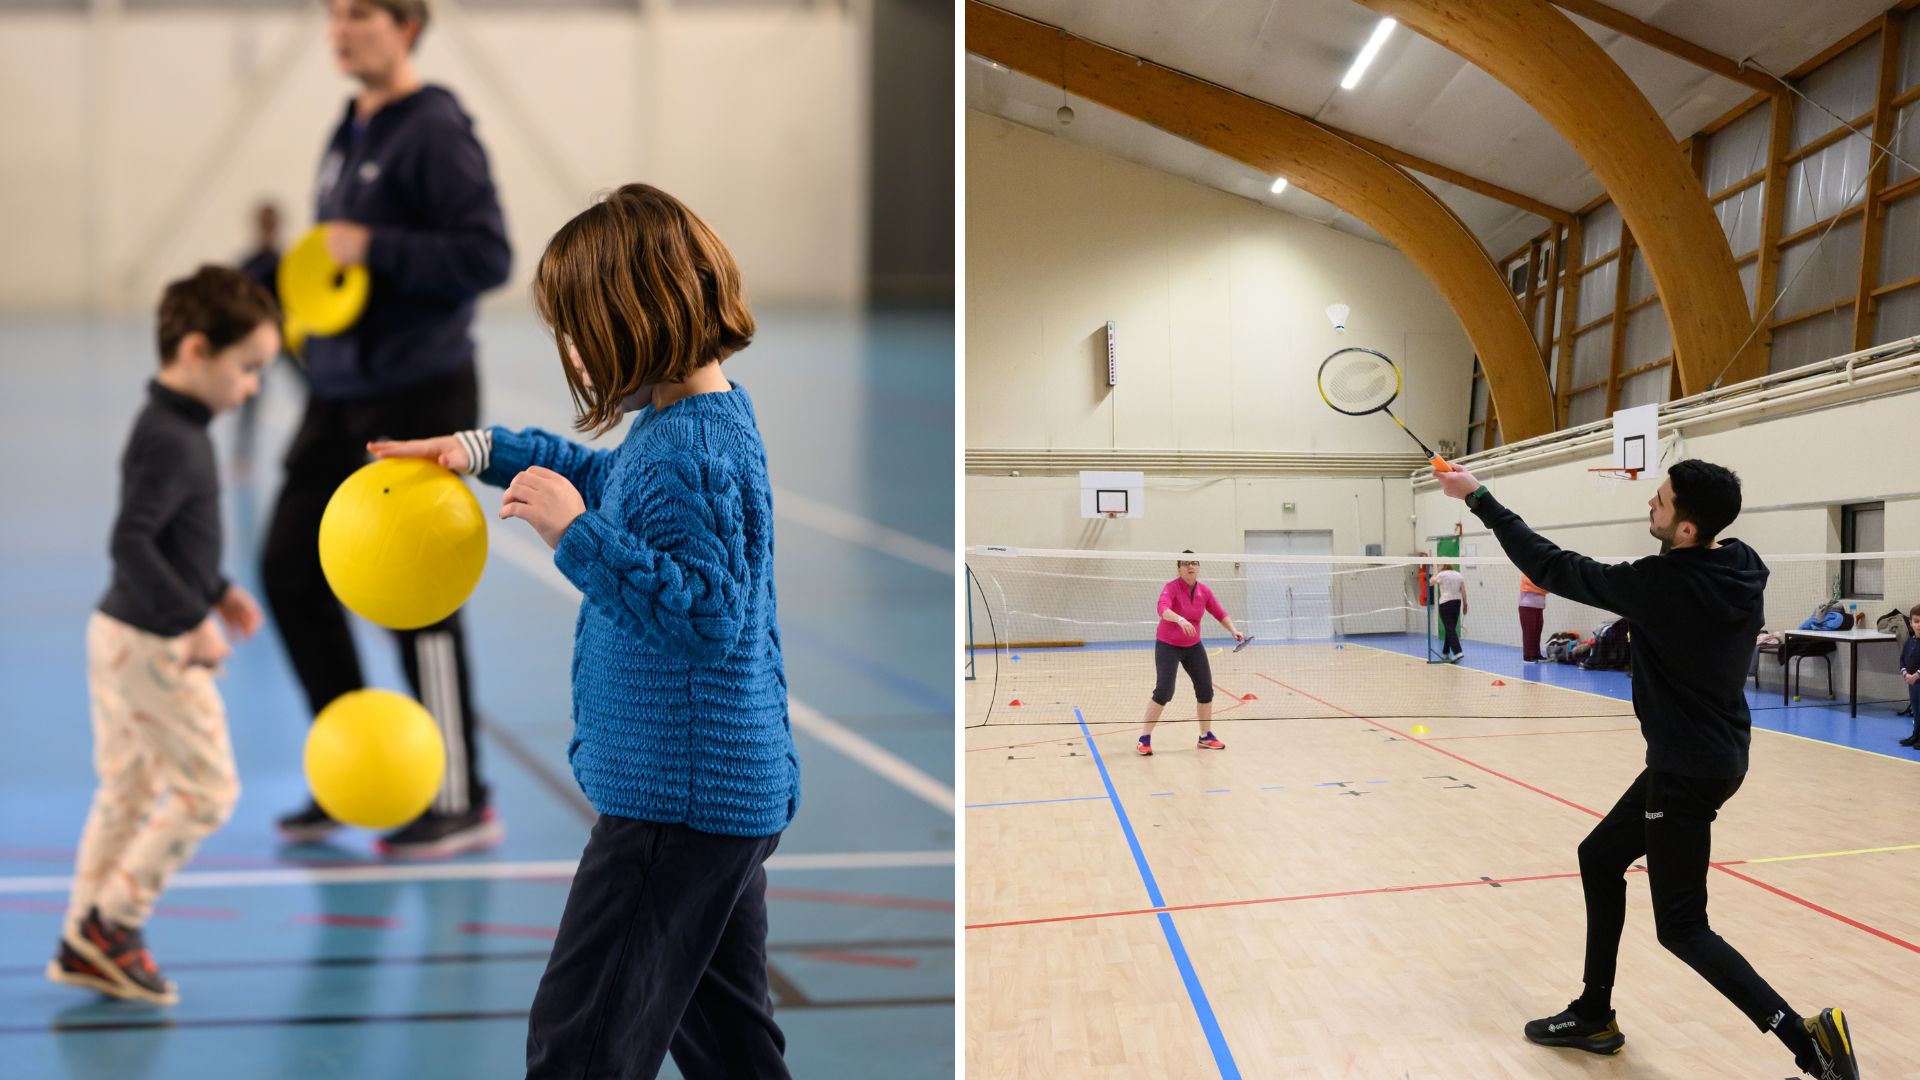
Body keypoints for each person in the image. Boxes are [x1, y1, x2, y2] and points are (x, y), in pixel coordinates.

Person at [369, 184, 799, 1079]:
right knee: (732, 1050)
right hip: (720, 797)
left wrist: (575, 535)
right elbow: (609, 480)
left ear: (635, 316)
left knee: (580, 1045)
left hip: (673, 807)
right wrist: (482, 451)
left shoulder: (690, 449)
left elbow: (707, 616)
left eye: (575, 328)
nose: (569, 350)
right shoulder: (697, 421)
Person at [1435, 459, 1858, 1080]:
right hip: (1710, 756)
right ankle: (1593, 1014)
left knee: (1683, 927)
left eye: (1659, 502)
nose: (1649, 508)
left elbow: (1554, 566)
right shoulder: (1741, 562)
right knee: (1599, 855)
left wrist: (1478, 497)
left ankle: (1807, 1042)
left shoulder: (1664, 584)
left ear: (1687, 528)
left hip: (1686, 768)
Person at [262, 0, 512, 856]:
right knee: (290, 570)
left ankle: (460, 797)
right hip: (335, 396)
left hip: (418, 396)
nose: (339, 29)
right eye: (332, 14)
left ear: (406, 25)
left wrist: (377, 248)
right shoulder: (350, 126)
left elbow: (488, 257)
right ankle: (357, 772)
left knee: (418, 601)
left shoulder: (434, 128)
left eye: (360, 12)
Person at [48, 267, 278, 1005]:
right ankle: (113, 923)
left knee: (130, 788)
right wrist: (191, 622)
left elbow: (169, 539)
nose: (251, 390)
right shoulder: (174, 439)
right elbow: (131, 542)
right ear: (195, 350)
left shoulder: (174, 426)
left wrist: (215, 589)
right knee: (209, 790)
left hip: (121, 631)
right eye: (247, 369)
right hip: (153, 642)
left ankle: (84, 936)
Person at [1137, 551, 1243, 756]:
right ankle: (1144, 738)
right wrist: (1181, 619)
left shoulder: (1204, 591)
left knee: (1205, 690)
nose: (1190, 567)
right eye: (1185, 563)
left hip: (1193, 646)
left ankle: (1205, 736)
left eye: (1194, 563)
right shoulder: (1171, 588)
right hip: (1168, 645)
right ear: (1179, 568)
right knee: (1164, 691)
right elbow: (1162, 609)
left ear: (1198, 566)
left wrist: (1233, 630)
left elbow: (1219, 612)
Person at [1433, 563, 1467, 661]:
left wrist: (1435, 575)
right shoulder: (1458, 574)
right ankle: (1445, 652)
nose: (1438, 567)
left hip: (1445, 604)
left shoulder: (1442, 574)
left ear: (1443, 566)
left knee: (1449, 627)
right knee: (1450, 628)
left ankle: (1457, 651)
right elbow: (1463, 591)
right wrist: (1465, 604)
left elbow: (1430, 582)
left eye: (1438, 565)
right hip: (1457, 603)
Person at [1899, 604, 1920, 748]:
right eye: (1917, 621)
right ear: (1911, 623)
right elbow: (1902, 659)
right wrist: (1905, 672)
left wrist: (1917, 675)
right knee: (1916, 710)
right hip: (1913, 685)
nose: (1919, 625)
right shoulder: (1910, 641)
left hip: (1918, 681)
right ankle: (1915, 735)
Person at [1518, 574, 1548, 662]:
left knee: (1537, 631)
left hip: (1539, 607)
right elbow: (1533, 586)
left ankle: (1536, 654)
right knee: (1529, 632)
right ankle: (1528, 655)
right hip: (1527, 607)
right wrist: (1545, 588)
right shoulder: (1526, 573)